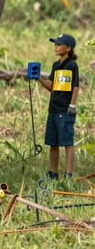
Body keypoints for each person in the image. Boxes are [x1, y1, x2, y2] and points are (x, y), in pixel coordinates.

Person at [38, 33, 79, 179]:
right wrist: (38, 78)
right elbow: (52, 87)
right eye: (55, 44)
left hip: (65, 110)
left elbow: (75, 86)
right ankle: (53, 173)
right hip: (53, 109)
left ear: (68, 48)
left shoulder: (72, 65)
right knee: (53, 142)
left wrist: (72, 105)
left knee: (67, 142)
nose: (55, 47)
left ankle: (68, 174)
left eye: (59, 44)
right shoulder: (55, 66)